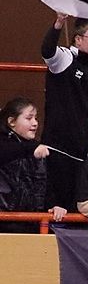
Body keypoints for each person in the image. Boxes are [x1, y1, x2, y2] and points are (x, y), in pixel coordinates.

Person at [40, 13, 88, 211]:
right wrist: (59, 23)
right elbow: (47, 51)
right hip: (57, 145)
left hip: (82, 146)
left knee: (75, 203)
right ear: (78, 39)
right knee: (54, 205)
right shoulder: (65, 57)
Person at [0, 97, 66, 232]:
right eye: (29, 118)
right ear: (11, 121)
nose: (35, 123)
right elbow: (8, 150)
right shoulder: (5, 144)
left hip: (33, 221)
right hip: (5, 222)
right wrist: (31, 149)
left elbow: (43, 184)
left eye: (36, 118)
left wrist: (54, 205)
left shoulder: (37, 148)